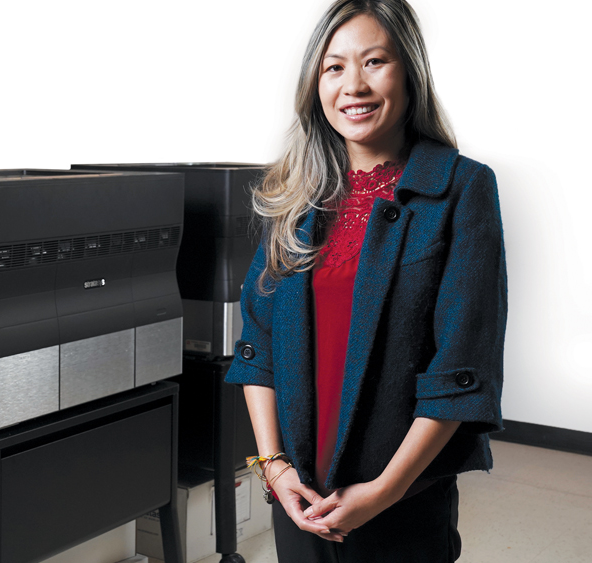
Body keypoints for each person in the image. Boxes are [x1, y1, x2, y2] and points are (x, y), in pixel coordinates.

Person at [224, 0, 507, 561]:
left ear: (409, 71)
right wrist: (274, 467)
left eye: (374, 61)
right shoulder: (295, 194)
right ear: (315, 84)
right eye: (334, 67)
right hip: (298, 490)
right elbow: (258, 344)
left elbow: (462, 361)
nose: (354, 84)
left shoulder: (460, 189)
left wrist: (386, 491)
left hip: (400, 495)